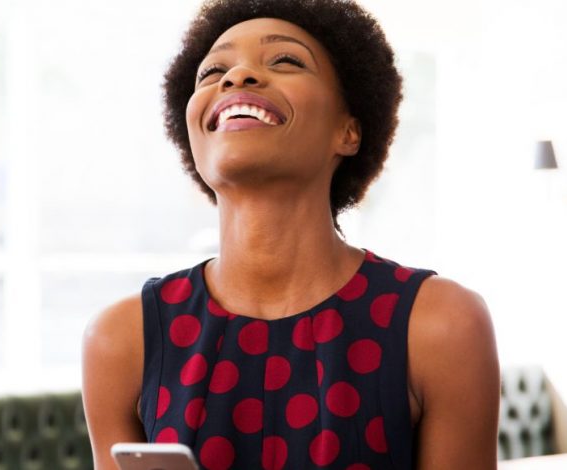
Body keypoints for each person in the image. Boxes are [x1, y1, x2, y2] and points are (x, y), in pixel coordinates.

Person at [80, 0, 500, 469]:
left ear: (349, 131)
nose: (237, 77)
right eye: (213, 70)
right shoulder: (121, 340)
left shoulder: (442, 325)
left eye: (285, 60)